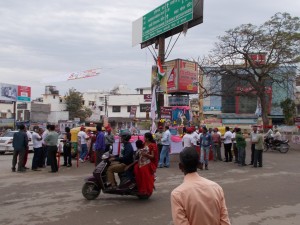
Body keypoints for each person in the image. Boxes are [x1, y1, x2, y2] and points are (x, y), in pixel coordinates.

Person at [171, 147, 231, 225]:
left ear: (180, 166)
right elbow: (224, 220)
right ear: (199, 165)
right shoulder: (216, 187)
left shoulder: (177, 194)